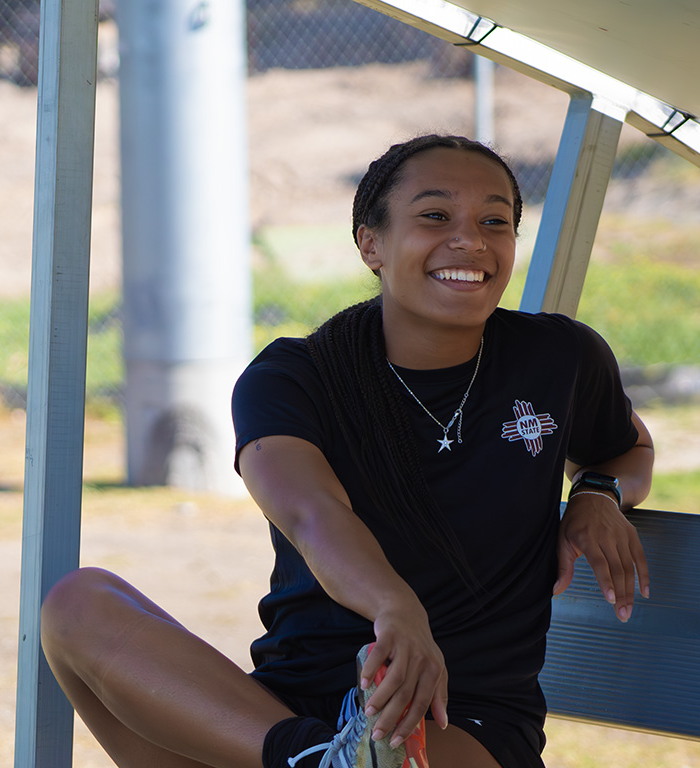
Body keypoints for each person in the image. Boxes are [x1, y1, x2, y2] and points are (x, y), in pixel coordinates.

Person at [40, 134, 654, 768]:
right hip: (281, 713)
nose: (470, 240)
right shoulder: (296, 376)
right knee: (76, 606)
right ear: (372, 244)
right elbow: (312, 513)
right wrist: (394, 606)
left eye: (495, 222)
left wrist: (597, 492)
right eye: (435, 216)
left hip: (460, 717)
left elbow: (627, 448)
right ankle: (317, 759)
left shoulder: (559, 358)